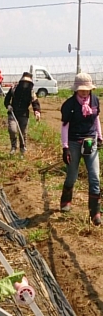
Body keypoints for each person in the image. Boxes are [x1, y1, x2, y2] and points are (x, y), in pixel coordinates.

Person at [60, 72, 102, 226]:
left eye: (87, 89)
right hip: (74, 143)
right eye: (81, 90)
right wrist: (65, 147)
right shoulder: (69, 105)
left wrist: (100, 136)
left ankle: (95, 212)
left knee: (94, 176)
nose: (84, 92)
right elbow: (65, 127)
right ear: (76, 89)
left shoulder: (95, 101)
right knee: (72, 175)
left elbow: (96, 119)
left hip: (90, 141)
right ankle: (66, 201)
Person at [4, 72, 41, 155]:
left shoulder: (31, 92)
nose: (25, 84)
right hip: (13, 113)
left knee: (23, 133)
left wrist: (37, 111)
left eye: (27, 83)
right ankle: (13, 147)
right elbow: (7, 100)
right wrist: (8, 105)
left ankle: (22, 148)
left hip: (24, 114)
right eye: (24, 82)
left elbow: (35, 103)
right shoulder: (14, 88)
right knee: (12, 130)